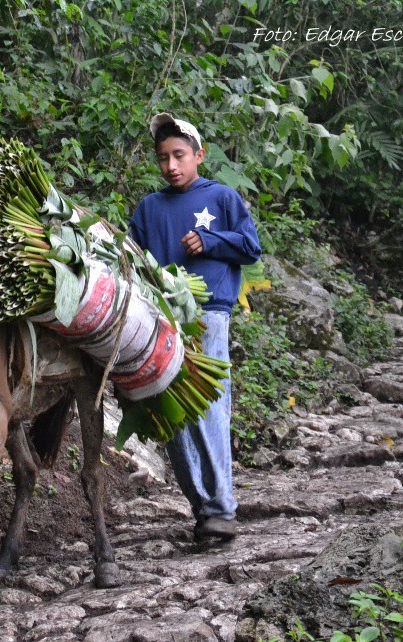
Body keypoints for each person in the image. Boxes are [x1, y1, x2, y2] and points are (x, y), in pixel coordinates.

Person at [128, 113, 262, 542]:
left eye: (179, 155)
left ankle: (222, 507)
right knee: (170, 414)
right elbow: (132, 260)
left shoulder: (221, 198)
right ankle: (202, 508)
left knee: (207, 408)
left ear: (199, 156)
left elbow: (251, 247)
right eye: (163, 157)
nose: (171, 165)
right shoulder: (149, 209)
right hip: (161, 317)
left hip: (209, 314)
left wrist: (212, 241)